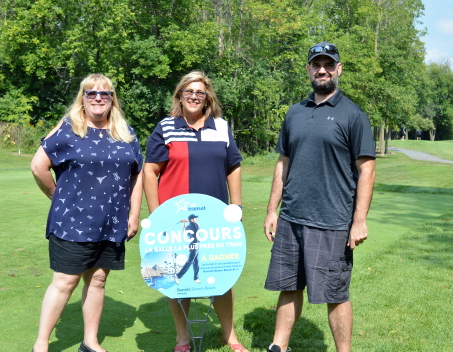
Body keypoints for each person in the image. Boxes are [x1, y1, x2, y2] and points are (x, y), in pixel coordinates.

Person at [263, 42, 376, 352]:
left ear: (338, 69)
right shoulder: (295, 112)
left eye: (329, 64)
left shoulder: (353, 115)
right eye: (316, 64)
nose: (322, 69)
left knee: (335, 294)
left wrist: (359, 221)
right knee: (288, 286)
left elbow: (367, 170)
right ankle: (279, 346)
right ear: (309, 69)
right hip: (291, 219)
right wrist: (273, 210)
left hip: (333, 221)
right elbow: (283, 164)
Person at [30, 74, 143, 352]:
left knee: (98, 280)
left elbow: (137, 173)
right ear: (82, 97)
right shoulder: (68, 128)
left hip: (112, 222)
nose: (98, 98)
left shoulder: (125, 132)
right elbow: (38, 166)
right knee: (65, 281)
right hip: (73, 222)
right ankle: (41, 345)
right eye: (91, 93)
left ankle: (90, 342)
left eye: (104, 94)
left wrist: (134, 214)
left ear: (112, 98)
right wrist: (56, 196)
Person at [143, 70, 247, 352]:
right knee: (172, 276)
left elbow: (233, 166)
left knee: (223, 275)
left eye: (199, 92)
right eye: (188, 92)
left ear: (207, 98)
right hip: (173, 218)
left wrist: (236, 206)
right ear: (179, 96)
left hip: (214, 218)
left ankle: (230, 336)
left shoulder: (222, 127)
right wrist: (156, 215)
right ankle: (182, 339)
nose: (193, 96)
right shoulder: (165, 127)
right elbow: (150, 171)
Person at [174, 214, 201, 284]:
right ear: (192, 220)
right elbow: (194, 223)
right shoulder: (195, 225)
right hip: (194, 244)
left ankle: (196, 278)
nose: (196, 219)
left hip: (193, 244)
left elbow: (184, 230)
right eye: (195, 218)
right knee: (190, 261)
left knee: (196, 261)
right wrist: (185, 221)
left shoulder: (189, 226)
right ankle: (178, 276)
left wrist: (184, 222)